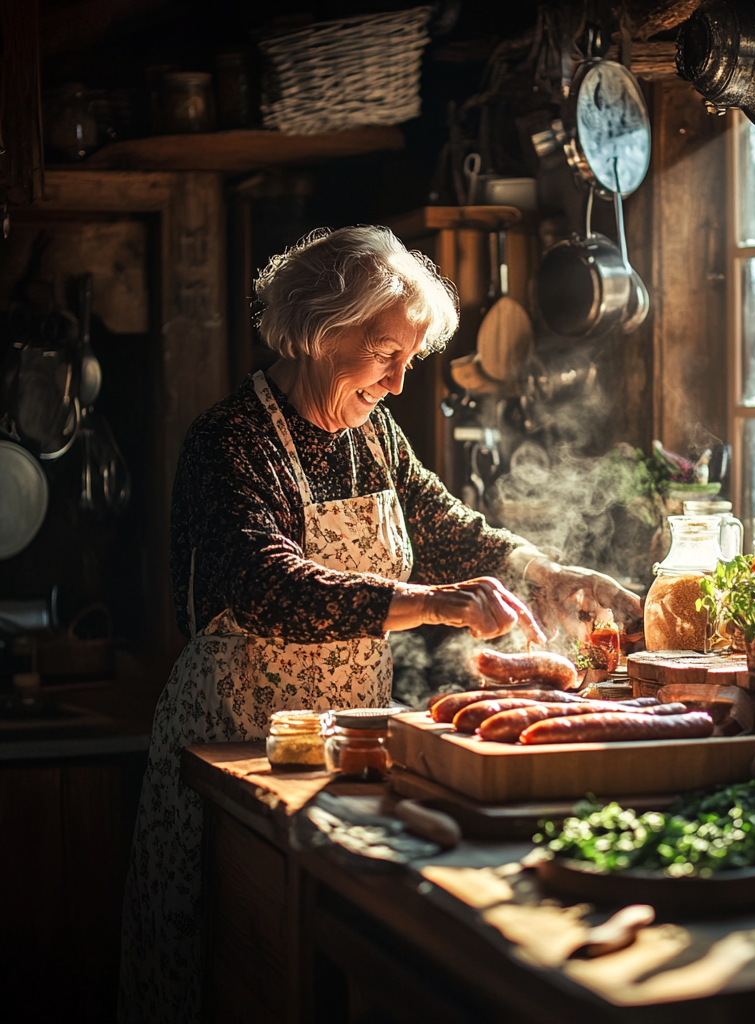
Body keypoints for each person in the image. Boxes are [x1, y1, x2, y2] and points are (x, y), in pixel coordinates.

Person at [118, 225, 641, 1023]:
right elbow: (270, 585)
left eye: (409, 359)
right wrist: (434, 602)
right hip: (234, 746)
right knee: (220, 961)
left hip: (345, 746)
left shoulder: (373, 438)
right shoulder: (230, 443)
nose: (399, 384)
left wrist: (547, 573)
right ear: (322, 330)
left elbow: (449, 529)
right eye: (386, 353)